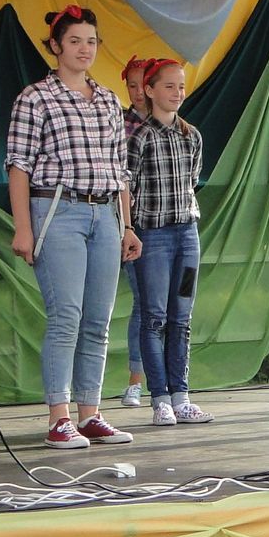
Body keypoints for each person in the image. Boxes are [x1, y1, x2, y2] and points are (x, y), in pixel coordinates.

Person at [6, 4, 142, 449]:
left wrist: (127, 225)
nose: (85, 49)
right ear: (55, 46)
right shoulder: (34, 98)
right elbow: (19, 166)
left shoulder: (108, 100)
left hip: (106, 213)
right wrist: (23, 228)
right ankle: (59, 418)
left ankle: (91, 413)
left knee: (98, 320)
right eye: (75, 41)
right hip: (57, 209)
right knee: (66, 315)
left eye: (91, 41)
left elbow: (120, 169)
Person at [126, 58, 213, 426]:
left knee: (182, 317)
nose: (177, 93)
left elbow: (192, 180)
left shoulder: (192, 136)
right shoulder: (139, 137)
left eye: (181, 86)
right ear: (149, 90)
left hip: (187, 236)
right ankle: (159, 398)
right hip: (153, 236)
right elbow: (127, 187)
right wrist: (128, 229)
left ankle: (182, 396)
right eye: (169, 86)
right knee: (154, 318)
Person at [120, 55, 149, 407]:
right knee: (143, 302)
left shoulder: (174, 125)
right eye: (131, 85)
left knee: (169, 305)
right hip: (133, 222)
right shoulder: (120, 124)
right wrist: (126, 225)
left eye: (143, 84)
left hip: (168, 222)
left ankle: (171, 384)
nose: (137, 92)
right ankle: (135, 380)